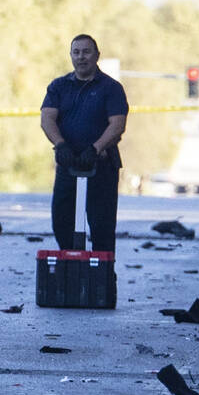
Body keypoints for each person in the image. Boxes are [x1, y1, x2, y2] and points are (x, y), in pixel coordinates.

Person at [40, 34, 128, 252]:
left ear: (97, 55)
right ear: (70, 55)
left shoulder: (111, 88)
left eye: (86, 52)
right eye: (76, 52)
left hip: (101, 166)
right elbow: (47, 118)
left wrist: (96, 148)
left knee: (102, 228)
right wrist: (60, 145)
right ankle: (71, 270)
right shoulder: (58, 86)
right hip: (68, 163)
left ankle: (103, 280)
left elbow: (117, 124)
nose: (81, 57)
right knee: (61, 223)